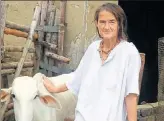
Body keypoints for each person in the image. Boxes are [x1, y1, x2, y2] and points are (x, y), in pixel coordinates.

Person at [43, 3, 141, 121]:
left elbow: (131, 94)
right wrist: (55, 89)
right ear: (96, 24)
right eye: (102, 22)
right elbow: (78, 78)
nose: (106, 27)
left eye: (112, 22)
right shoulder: (93, 48)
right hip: (84, 116)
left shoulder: (129, 52)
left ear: (119, 24)